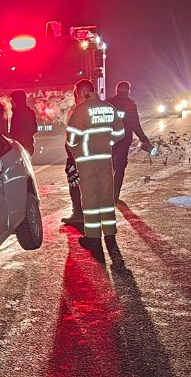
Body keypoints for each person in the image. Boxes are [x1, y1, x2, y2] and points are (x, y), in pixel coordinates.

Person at [63, 78, 122, 259]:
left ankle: (93, 238)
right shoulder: (108, 108)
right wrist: (106, 144)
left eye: (76, 95)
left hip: (87, 160)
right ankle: (110, 236)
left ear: (81, 93)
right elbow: (120, 133)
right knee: (106, 197)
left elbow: (72, 139)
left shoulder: (80, 111)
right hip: (105, 159)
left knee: (90, 200)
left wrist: (76, 151)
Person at [107, 80, 154, 200]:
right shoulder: (130, 105)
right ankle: (115, 194)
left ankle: (109, 192)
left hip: (109, 139)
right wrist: (145, 141)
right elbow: (136, 125)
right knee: (120, 167)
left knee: (110, 166)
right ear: (128, 91)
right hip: (123, 140)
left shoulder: (108, 103)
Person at [7, 89, 37, 155]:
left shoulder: (20, 114)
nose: (11, 101)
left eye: (13, 99)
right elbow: (34, 129)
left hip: (21, 145)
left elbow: (32, 129)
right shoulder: (27, 112)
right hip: (24, 144)